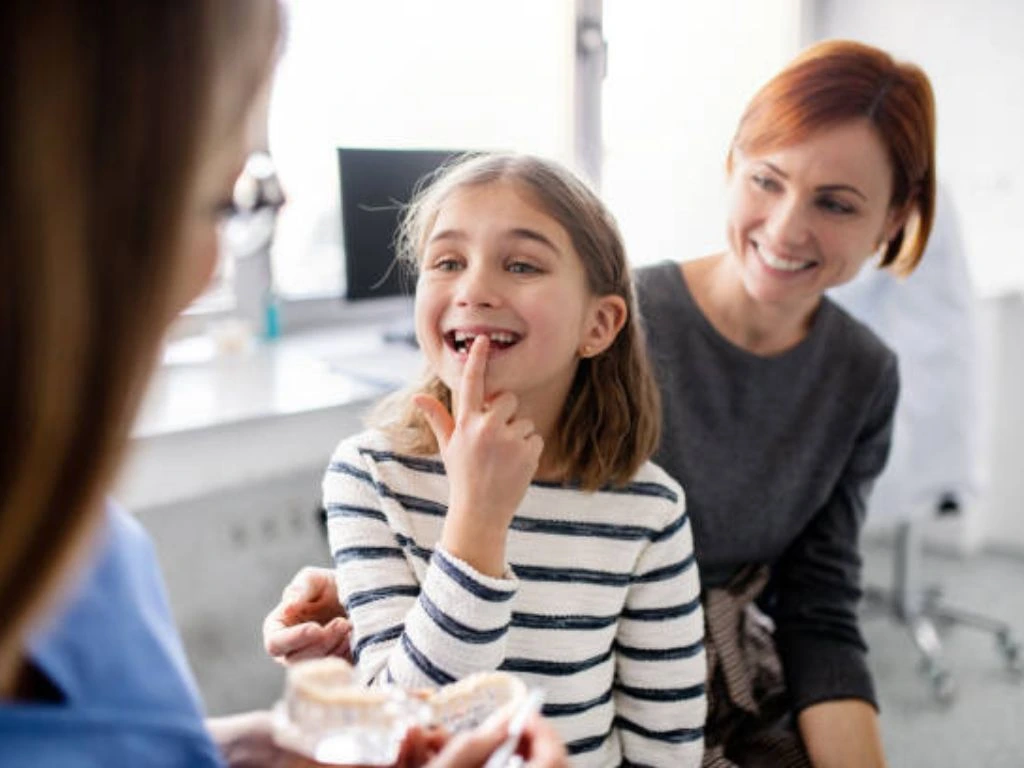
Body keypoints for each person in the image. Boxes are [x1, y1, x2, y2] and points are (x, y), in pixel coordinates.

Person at [265, 40, 936, 768]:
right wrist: (371, 591)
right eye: (768, 181)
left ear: (893, 219)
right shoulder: (575, 326)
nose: (784, 228)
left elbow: (817, 606)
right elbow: (405, 701)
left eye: (836, 203)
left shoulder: (854, 380)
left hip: (695, 677)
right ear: (732, 167)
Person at [0, 2, 566, 766]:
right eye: (222, 200)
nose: (210, 270)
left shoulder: (87, 538)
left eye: (522, 263)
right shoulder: (364, 476)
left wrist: (234, 749)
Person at [279, 153, 707, 767]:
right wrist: (478, 520)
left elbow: (667, 741)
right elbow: (397, 735)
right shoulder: (370, 477)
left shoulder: (649, 508)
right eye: (448, 261)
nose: (474, 289)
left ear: (600, 323)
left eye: (521, 264)